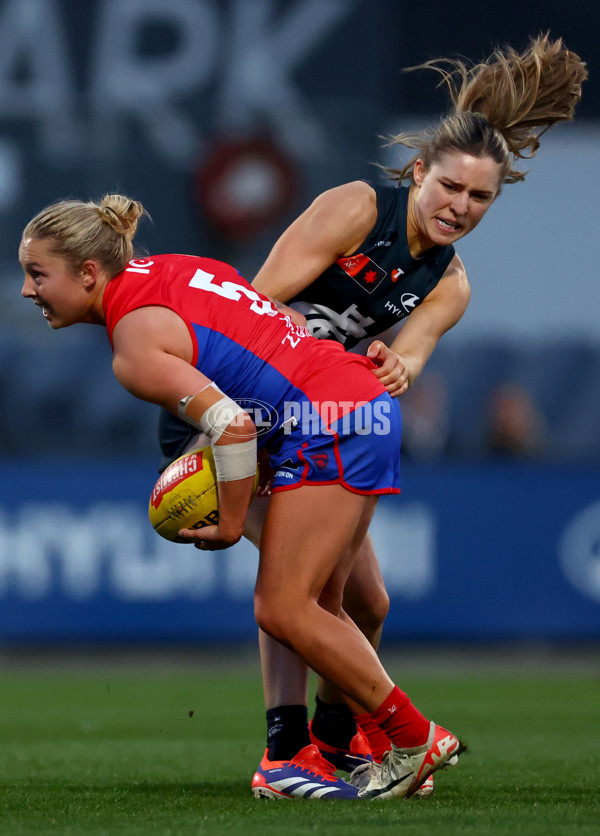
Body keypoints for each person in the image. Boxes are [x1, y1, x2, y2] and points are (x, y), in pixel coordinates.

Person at [157, 32, 587, 795]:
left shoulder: (449, 284)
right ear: (419, 172)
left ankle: (334, 741)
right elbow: (248, 310)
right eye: (450, 187)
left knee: (368, 602)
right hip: (238, 411)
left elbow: (411, 359)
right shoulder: (356, 208)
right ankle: (289, 752)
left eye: (480, 197)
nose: (461, 206)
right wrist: (221, 428)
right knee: (304, 592)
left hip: (318, 423)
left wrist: (397, 366)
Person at [19, 194, 465, 801]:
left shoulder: (133, 348)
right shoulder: (172, 266)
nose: (27, 290)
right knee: (337, 600)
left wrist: (230, 523)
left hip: (322, 418)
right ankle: (315, 753)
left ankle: (410, 738)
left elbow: (232, 428)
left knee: (284, 607)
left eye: (37, 274)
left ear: (89, 272)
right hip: (353, 403)